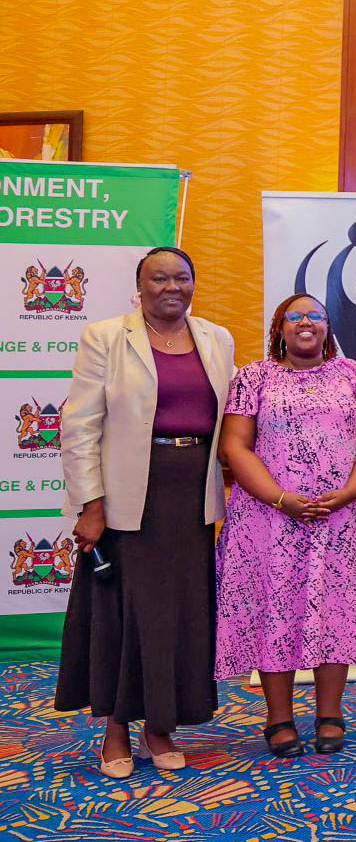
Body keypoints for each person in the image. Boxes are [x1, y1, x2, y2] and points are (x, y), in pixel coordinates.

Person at [56, 246, 236, 779]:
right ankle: (115, 728)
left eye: (182, 277)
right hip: (125, 497)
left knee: (177, 615)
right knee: (124, 612)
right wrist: (92, 504)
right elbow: (79, 425)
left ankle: (161, 726)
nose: (171, 287)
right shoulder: (106, 337)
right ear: (141, 286)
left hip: (191, 498)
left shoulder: (216, 338)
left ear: (193, 284)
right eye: (159, 278)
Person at [214, 293, 356, 756]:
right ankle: (279, 719)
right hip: (269, 515)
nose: (306, 322)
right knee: (275, 609)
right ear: (279, 329)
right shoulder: (253, 378)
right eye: (295, 316)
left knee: (336, 609)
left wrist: (350, 491)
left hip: (344, 515)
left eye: (316, 315)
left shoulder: (354, 375)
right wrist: (280, 498)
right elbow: (235, 447)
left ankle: (329, 713)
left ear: (329, 327)